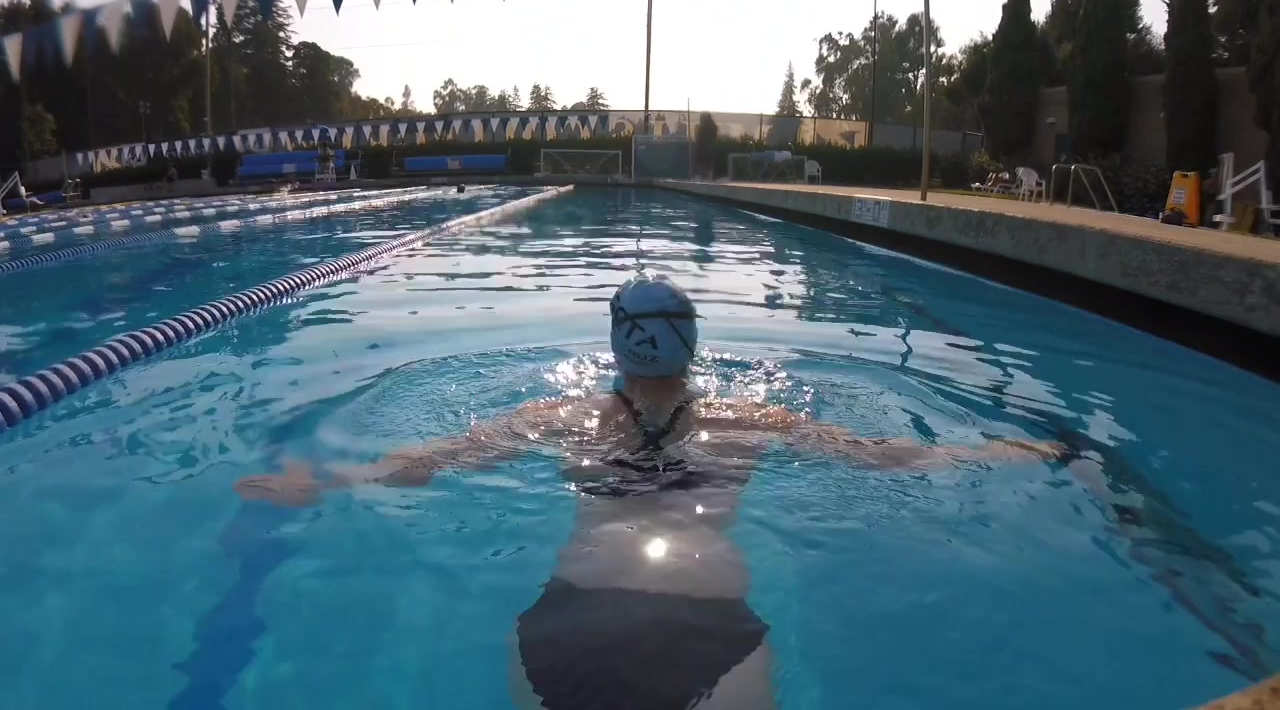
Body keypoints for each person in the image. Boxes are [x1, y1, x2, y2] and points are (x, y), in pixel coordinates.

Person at [236, 274, 1065, 709]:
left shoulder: (559, 417)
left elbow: (434, 460)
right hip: (710, 627)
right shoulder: (750, 419)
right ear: (692, 347)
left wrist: (329, 479)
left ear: (616, 348)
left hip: (568, 626)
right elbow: (887, 459)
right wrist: (1003, 451)